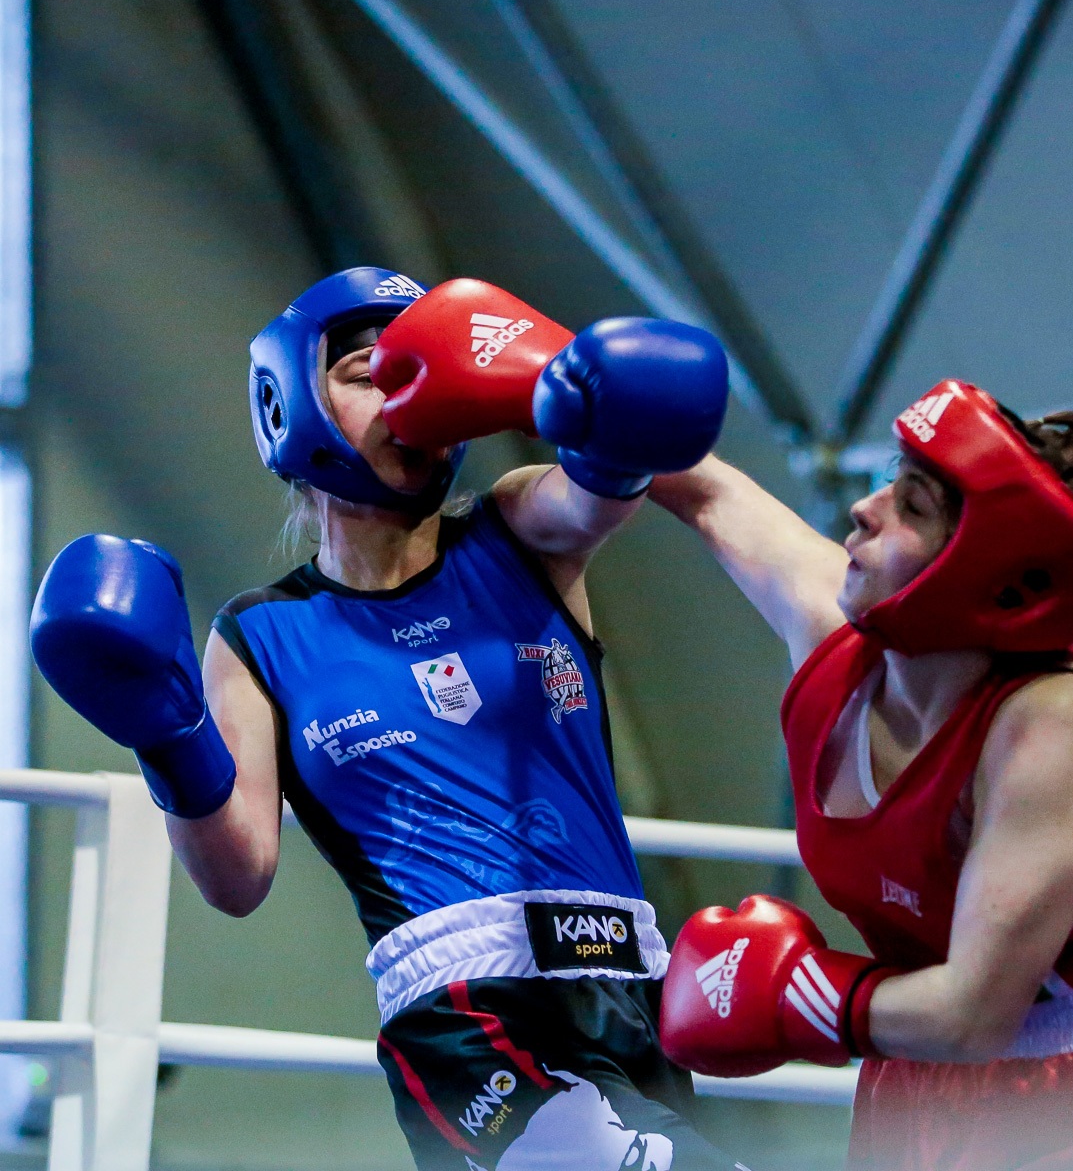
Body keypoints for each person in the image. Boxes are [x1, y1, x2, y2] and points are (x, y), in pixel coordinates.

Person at [30, 267, 746, 1171]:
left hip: (633, 985)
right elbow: (235, 876)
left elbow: (610, 471)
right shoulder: (262, 636)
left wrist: (572, 384)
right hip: (465, 1013)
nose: (410, 396)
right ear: (291, 400)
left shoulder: (517, 529)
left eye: (429, 369)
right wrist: (164, 732)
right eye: (373, 372)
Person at [654, 379, 1073, 1170]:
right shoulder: (836, 646)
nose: (863, 508)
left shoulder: (1048, 727)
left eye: (911, 507)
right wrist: (546, 379)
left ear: (992, 572)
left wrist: (797, 995)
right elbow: (705, 491)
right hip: (909, 1069)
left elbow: (972, 1014)